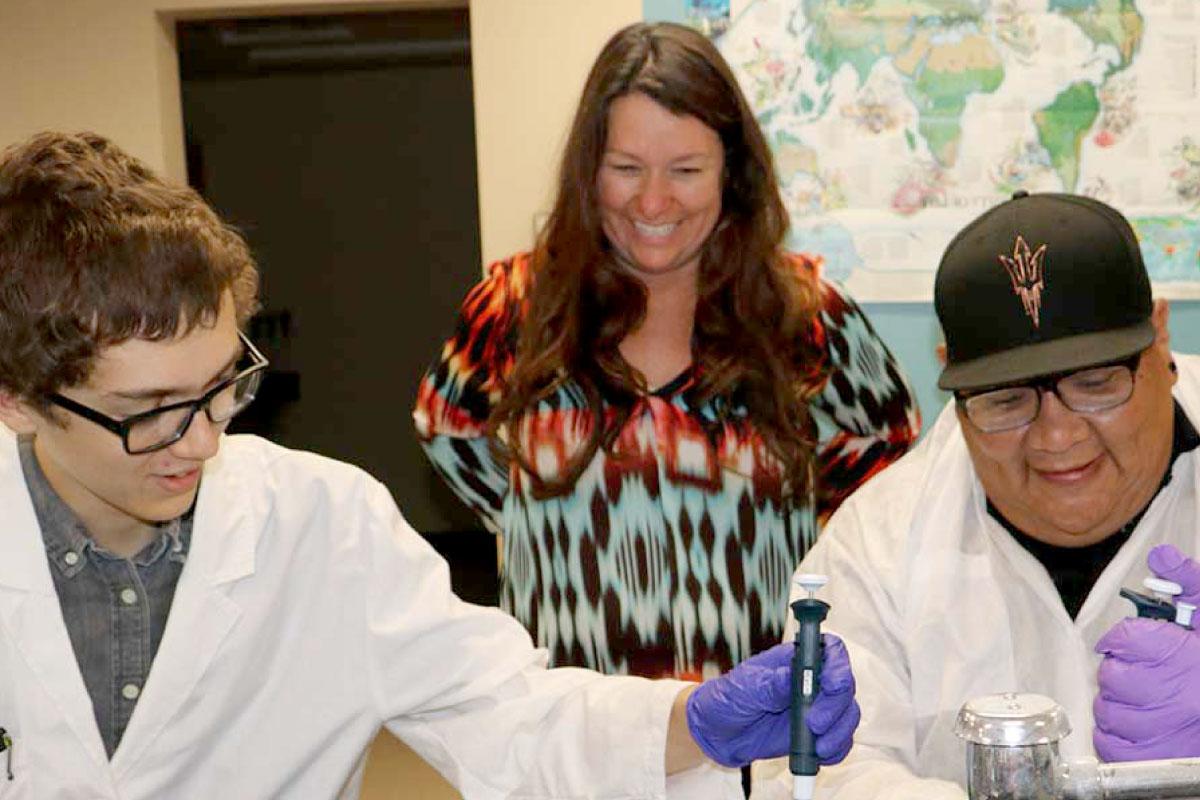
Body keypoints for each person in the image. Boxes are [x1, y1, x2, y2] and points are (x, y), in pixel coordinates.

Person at [0, 131, 862, 798]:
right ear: (17, 399)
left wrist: (692, 722)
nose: (202, 441)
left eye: (223, 386)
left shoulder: (322, 526)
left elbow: (507, 716)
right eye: (146, 414)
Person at [414, 21, 918, 684]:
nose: (653, 202)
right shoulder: (512, 307)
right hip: (569, 745)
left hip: (752, 743)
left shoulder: (805, 314)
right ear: (589, 168)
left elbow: (892, 481)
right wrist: (564, 522)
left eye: (685, 170)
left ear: (732, 172)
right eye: (625, 169)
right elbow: (447, 431)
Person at [754, 190, 1200, 799]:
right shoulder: (876, 545)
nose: (1058, 435)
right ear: (952, 384)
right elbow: (814, 775)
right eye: (1006, 401)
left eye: (1096, 383)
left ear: (1160, 340)